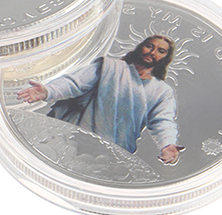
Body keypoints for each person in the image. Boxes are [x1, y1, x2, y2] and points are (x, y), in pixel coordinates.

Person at [17, 36, 183, 164]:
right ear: (141, 47)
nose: (152, 52)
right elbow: (75, 83)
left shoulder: (162, 91)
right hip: (74, 134)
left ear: (165, 58)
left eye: (161, 51)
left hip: (113, 149)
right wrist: (48, 91)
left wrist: (167, 144)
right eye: (149, 46)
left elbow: (163, 121)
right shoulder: (110, 68)